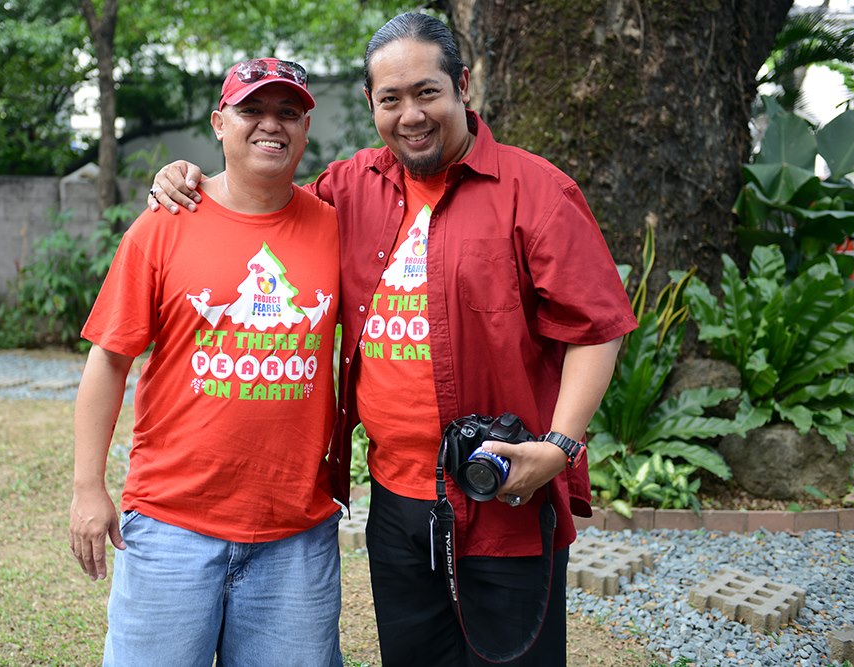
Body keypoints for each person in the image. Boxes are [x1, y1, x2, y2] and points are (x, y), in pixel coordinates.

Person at [148, 13, 638, 666]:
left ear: (463, 85)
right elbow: (262, 203)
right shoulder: (351, 188)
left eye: (427, 92)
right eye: (391, 99)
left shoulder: (537, 191)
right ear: (370, 104)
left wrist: (560, 445)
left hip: (503, 497)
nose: (411, 115)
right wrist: (189, 180)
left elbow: (597, 328)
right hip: (395, 505)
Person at [69, 57, 345, 666]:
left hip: (296, 536)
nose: (270, 124)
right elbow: (109, 360)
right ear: (219, 123)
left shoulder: (335, 228)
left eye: (288, 113)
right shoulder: (164, 223)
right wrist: (88, 487)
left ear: (305, 130)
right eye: (252, 110)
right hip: (171, 526)